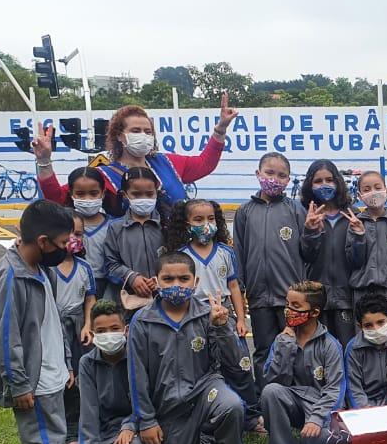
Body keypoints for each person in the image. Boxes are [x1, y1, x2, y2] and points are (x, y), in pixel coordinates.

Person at [0, 199, 81, 444]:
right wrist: (19, 384)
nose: (67, 249)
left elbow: (53, 321)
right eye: (62, 243)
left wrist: (66, 361)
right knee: (48, 442)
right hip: (33, 380)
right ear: (42, 243)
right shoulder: (12, 277)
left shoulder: (42, 270)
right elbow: (6, 336)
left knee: (37, 438)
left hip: (51, 371)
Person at [126, 252, 255, 444]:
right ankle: (204, 439)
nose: (176, 285)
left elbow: (234, 362)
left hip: (204, 390)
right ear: (155, 282)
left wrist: (222, 327)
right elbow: (137, 376)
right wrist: (147, 421)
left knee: (232, 404)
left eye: (184, 279)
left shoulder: (209, 314)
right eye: (168, 279)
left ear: (195, 283)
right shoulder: (142, 321)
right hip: (167, 404)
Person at [32, 94, 238, 214]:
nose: (144, 136)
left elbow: (204, 164)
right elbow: (58, 199)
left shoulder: (167, 163)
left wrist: (220, 130)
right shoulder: (102, 175)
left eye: (148, 132)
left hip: (175, 263)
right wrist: (44, 161)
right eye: (136, 131)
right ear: (120, 136)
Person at [166, 197, 260, 433]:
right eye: (198, 219)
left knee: (239, 364)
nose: (205, 224)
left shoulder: (226, 253)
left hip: (225, 312)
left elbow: (235, 286)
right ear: (186, 224)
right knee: (202, 365)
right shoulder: (181, 255)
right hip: (194, 316)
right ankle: (206, 417)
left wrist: (240, 318)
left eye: (210, 219)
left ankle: (250, 415)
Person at [232, 152, 320, 384]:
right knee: (263, 350)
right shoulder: (244, 212)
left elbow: (309, 253)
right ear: (258, 174)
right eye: (269, 173)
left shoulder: (296, 210)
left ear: (289, 180)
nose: (275, 179)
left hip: (290, 299)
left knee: (295, 347)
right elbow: (239, 253)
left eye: (281, 176)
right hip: (258, 296)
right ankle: (265, 402)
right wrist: (241, 288)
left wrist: (311, 231)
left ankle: (299, 397)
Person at [260, 281, 345, 444]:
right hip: (293, 403)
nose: (288, 310)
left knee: (315, 441)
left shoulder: (330, 345)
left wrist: (316, 419)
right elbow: (273, 381)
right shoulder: (282, 339)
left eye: (296, 306)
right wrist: (286, 346)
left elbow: (335, 389)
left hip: (320, 408)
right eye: (287, 303)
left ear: (314, 312)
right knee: (270, 392)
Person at [75, 300, 149, 444]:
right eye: (101, 331)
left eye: (114, 328)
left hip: (135, 425)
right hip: (105, 432)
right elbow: (88, 411)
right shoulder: (87, 364)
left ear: (125, 329)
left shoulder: (136, 356)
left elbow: (144, 400)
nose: (108, 335)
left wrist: (130, 425)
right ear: (92, 334)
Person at [299, 159, 360, 344]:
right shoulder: (303, 213)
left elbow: (358, 260)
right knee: (318, 350)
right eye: (318, 181)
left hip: (346, 297)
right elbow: (306, 255)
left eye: (329, 179)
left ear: (338, 182)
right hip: (317, 297)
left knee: (347, 348)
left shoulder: (352, 214)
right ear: (310, 184)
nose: (324, 185)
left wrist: (359, 237)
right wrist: (310, 231)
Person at [53, 214, 97, 444]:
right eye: (68, 234)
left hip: (79, 330)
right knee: (61, 378)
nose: (73, 239)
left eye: (78, 234)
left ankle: (76, 430)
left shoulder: (85, 268)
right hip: (55, 329)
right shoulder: (47, 268)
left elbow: (90, 298)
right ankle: (61, 428)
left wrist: (87, 324)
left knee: (79, 381)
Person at [347, 170, 387, 317]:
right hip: (363, 290)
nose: (373, 192)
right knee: (365, 335)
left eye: (377, 187)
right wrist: (360, 235)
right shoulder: (354, 223)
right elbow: (354, 261)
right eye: (367, 190)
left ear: (386, 191)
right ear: (360, 196)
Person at [102, 167, 165, 309]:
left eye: (149, 194)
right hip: (129, 304)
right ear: (125, 195)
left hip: (165, 301)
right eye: (136, 194)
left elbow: (177, 260)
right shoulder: (116, 228)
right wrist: (131, 277)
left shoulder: (166, 226)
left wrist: (161, 278)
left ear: (157, 192)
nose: (144, 199)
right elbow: (110, 264)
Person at [65, 168, 113, 302]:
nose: (87, 199)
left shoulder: (114, 226)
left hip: (108, 286)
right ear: (71, 194)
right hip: (74, 285)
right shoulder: (62, 226)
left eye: (93, 193)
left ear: (103, 193)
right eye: (80, 194)